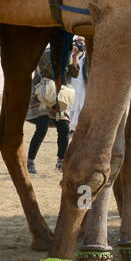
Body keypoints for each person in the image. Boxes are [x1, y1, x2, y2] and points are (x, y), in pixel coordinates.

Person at [26, 36, 80, 173]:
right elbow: (51, 70)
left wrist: (74, 58)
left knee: (64, 127)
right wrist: (65, 57)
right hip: (43, 95)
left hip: (59, 96)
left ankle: (61, 162)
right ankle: (30, 162)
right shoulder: (46, 54)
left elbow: (74, 74)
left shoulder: (67, 56)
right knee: (42, 127)